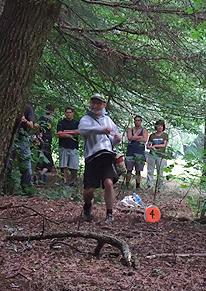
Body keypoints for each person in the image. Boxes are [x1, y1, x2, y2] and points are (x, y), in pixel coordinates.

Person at [78, 93, 121, 223]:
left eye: (98, 103)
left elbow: (112, 139)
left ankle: (109, 214)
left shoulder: (108, 120)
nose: (95, 105)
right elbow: (83, 130)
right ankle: (87, 206)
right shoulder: (86, 119)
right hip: (92, 157)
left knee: (108, 183)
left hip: (107, 156)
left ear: (103, 105)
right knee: (89, 190)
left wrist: (117, 140)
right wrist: (101, 130)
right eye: (93, 103)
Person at [5, 104, 35, 194]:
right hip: (9, 139)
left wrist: (24, 121)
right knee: (7, 165)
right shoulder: (8, 106)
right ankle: (5, 189)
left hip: (23, 139)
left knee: (25, 165)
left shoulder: (27, 108)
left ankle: (27, 190)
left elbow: (31, 125)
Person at [57, 107, 80, 185]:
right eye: (67, 112)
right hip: (63, 146)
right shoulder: (61, 123)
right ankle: (64, 181)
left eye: (70, 112)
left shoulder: (76, 123)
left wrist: (66, 132)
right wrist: (73, 133)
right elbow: (60, 135)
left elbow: (79, 132)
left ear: (72, 113)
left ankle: (72, 181)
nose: (68, 114)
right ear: (65, 113)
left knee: (74, 166)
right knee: (63, 166)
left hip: (74, 147)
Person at [125, 115, 148, 189]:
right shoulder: (130, 130)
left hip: (140, 153)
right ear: (134, 121)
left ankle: (137, 186)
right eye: (136, 120)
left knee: (138, 170)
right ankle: (127, 185)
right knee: (129, 170)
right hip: (130, 153)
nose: (137, 122)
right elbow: (129, 138)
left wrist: (134, 138)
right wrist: (140, 137)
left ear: (141, 122)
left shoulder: (144, 130)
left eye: (139, 120)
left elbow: (144, 140)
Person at [34, 105, 55, 185]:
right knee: (49, 163)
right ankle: (40, 174)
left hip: (47, 142)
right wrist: (39, 134)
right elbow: (36, 125)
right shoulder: (43, 118)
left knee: (43, 161)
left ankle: (41, 180)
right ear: (52, 111)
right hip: (44, 142)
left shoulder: (48, 120)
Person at [146, 120, 169, 190]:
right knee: (150, 170)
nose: (160, 127)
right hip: (152, 155)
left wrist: (155, 146)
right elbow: (147, 145)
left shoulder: (165, 135)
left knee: (160, 171)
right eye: (158, 125)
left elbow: (164, 144)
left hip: (161, 156)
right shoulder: (152, 135)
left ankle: (159, 187)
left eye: (161, 126)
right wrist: (151, 147)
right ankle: (149, 185)